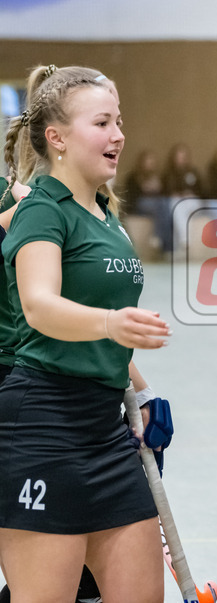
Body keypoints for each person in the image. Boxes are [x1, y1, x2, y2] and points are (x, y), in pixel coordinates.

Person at [0, 65, 171, 601]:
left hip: (107, 433)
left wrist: (140, 391)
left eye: (119, 121)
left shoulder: (102, 215)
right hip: (44, 428)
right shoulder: (40, 211)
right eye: (103, 122)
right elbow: (40, 306)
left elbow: (103, 315)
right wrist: (110, 324)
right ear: (57, 138)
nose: (119, 135)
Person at [122, 148, 173, 255]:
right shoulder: (133, 177)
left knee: (165, 204)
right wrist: (144, 189)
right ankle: (164, 243)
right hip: (139, 203)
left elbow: (165, 193)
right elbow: (131, 195)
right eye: (148, 161)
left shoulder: (157, 177)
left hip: (156, 203)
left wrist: (157, 188)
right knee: (161, 206)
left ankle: (159, 239)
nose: (150, 164)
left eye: (152, 162)